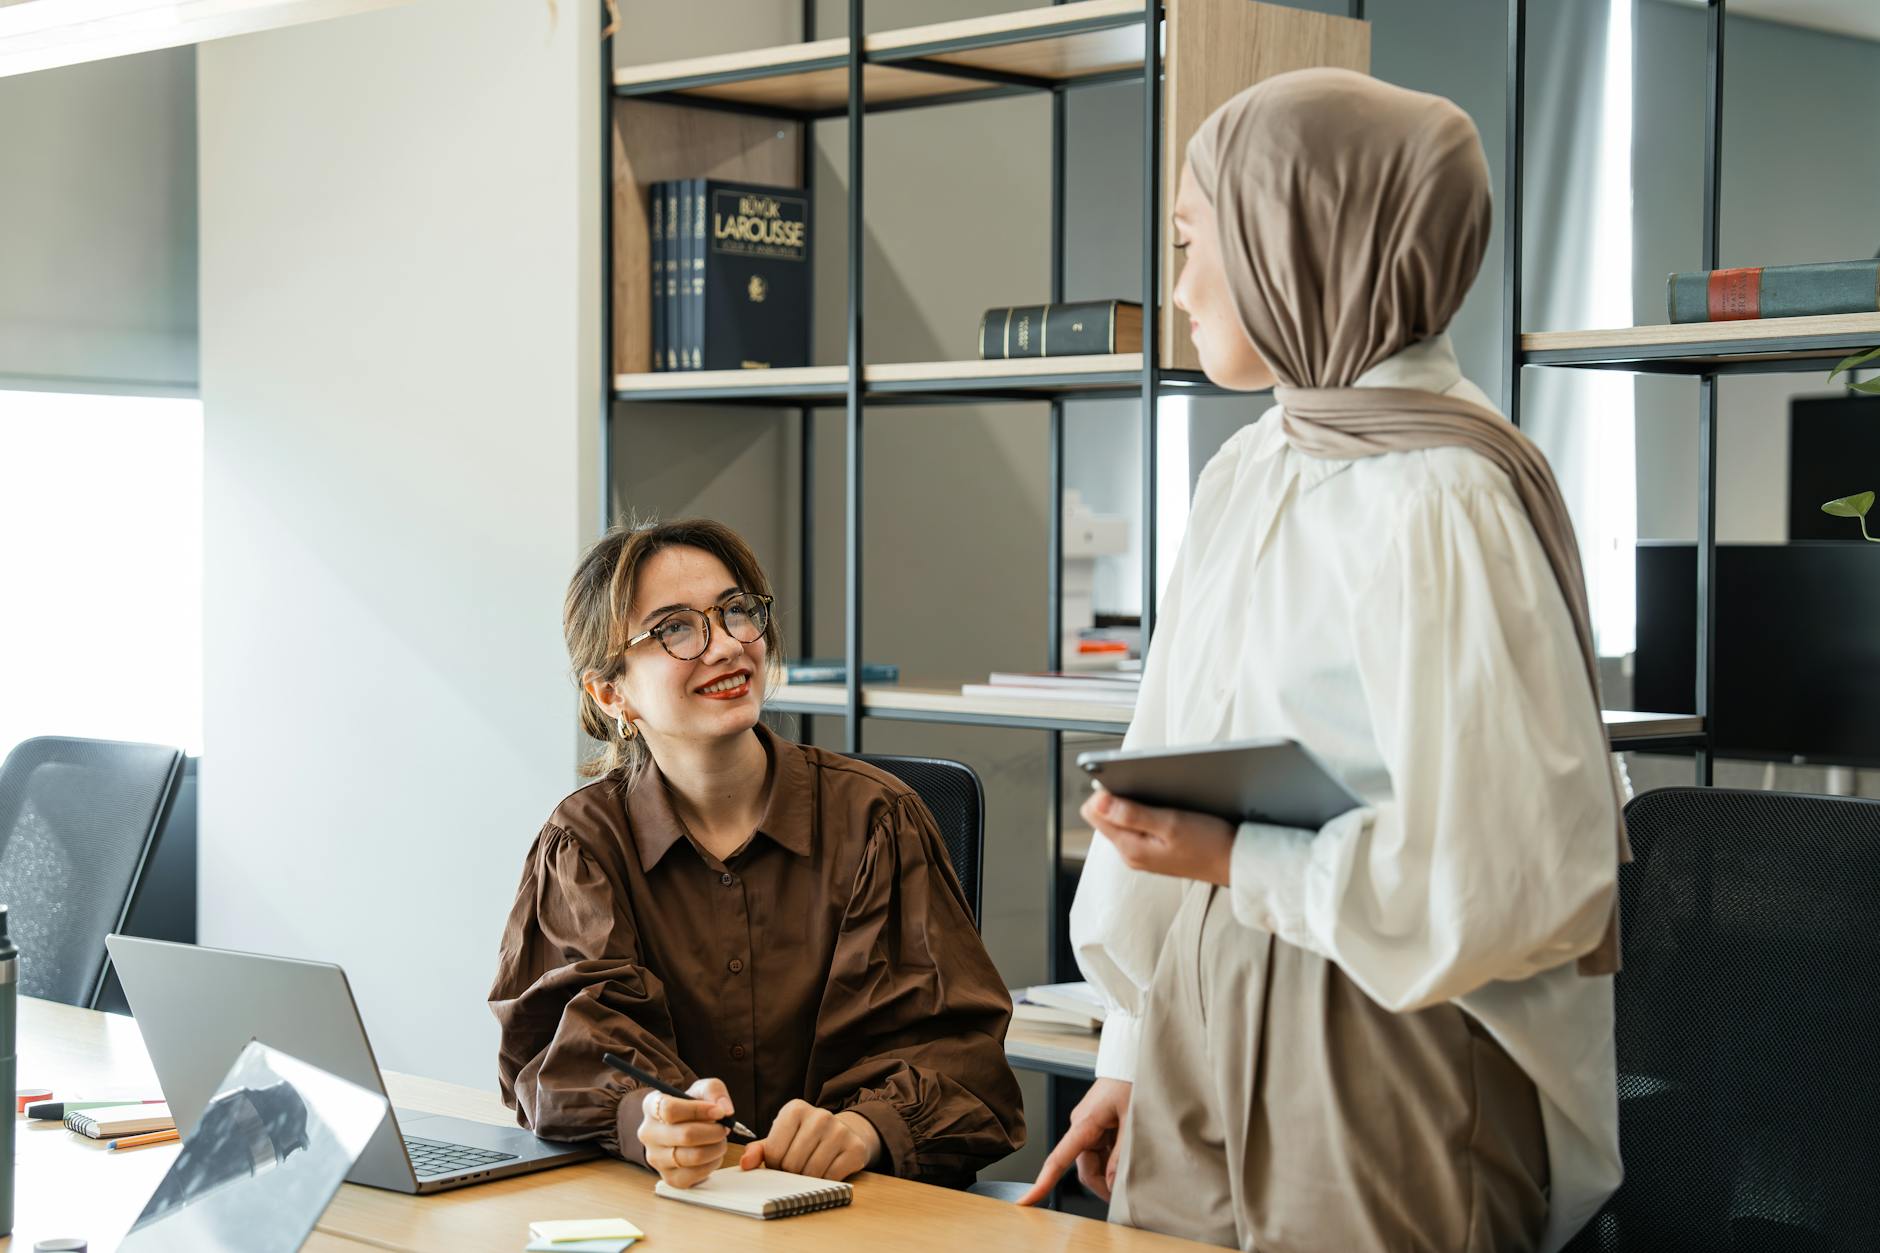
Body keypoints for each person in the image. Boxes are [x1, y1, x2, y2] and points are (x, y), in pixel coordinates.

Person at [1018, 68, 1625, 1253]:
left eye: (1198, 240)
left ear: (1302, 242)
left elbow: (1506, 877)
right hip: (1200, 993)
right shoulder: (1248, 470)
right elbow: (1178, 769)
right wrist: (1135, 1049)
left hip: (1371, 1027)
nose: (1180, 283)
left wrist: (1242, 858)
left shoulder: (1443, 496)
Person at [490, 517, 1023, 1190]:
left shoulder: (877, 820)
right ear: (610, 691)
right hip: (675, 1212)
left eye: (736, 611)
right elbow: (554, 1051)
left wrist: (865, 1129)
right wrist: (646, 1116)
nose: (727, 646)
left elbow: (965, 1060)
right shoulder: (585, 845)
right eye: (675, 628)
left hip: (858, 1217)